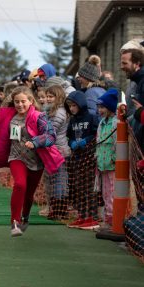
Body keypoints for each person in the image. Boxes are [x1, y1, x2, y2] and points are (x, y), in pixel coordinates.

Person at [0, 86, 64, 237]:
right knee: (20, 185)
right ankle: (14, 222)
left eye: (23, 101)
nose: (20, 105)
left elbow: (51, 136)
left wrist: (36, 142)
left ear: (30, 101)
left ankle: (25, 217)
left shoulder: (39, 116)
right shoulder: (10, 117)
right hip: (16, 157)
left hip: (36, 160)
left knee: (29, 193)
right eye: (17, 102)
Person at [65, 90, 99, 230]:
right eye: (70, 106)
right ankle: (81, 216)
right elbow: (69, 136)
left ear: (81, 104)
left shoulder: (91, 117)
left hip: (90, 158)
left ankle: (91, 217)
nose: (72, 108)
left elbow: (97, 133)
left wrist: (87, 140)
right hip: (77, 158)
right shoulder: (72, 120)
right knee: (78, 187)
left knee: (89, 188)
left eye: (74, 105)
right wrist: (72, 142)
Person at [43, 85, 70, 220]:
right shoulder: (50, 111)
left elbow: (50, 131)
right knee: (52, 180)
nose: (48, 99)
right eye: (47, 96)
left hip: (58, 150)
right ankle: (55, 207)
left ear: (58, 97)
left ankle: (60, 209)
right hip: (52, 150)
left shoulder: (58, 112)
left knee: (59, 180)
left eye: (51, 96)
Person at [95, 89, 119, 228]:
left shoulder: (115, 123)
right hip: (102, 164)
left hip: (112, 164)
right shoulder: (102, 123)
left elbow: (117, 143)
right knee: (105, 193)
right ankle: (107, 219)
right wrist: (97, 157)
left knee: (112, 193)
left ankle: (113, 220)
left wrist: (114, 158)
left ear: (110, 107)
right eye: (98, 107)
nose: (100, 110)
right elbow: (99, 140)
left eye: (102, 107)